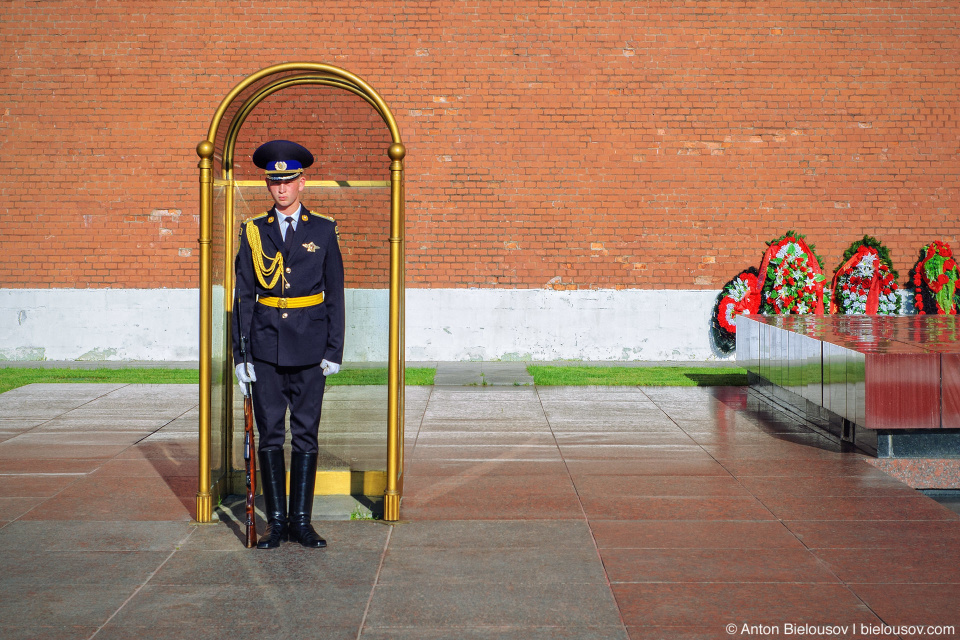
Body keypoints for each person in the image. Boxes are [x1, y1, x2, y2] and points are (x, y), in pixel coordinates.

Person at [232, 139, 345, 549]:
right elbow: (243, 295)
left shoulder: (323, 229)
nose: (281, 189)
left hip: (310, 346)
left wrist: (334, 350)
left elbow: (335, 293)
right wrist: (240, 354)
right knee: (270, 434)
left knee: (305, 434)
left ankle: (302, 521)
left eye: (288, 181)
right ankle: (276, 523)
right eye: (273, 182)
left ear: (302, 182)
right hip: (264, 347)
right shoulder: (253, 231)